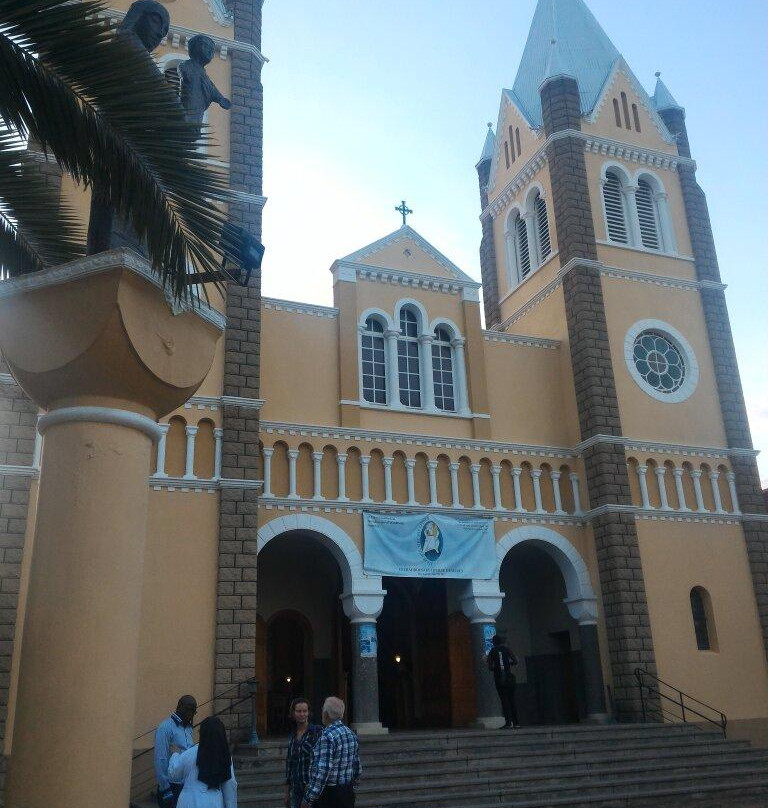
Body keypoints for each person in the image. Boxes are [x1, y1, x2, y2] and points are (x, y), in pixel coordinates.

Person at [300, 697, 361, 808]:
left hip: (330, 794)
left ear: (326, 714)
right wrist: (352, 789)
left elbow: (322, 771)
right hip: (346, 792)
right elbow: (357, 766)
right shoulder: (351, 734)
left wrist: (308, 799)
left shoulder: (327, 736)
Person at [168, 715, 237, 808]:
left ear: (202, 733)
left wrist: (175, 755)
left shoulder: (190, 753)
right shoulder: (225, 756)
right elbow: (230, 786)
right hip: (213, 801)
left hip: (188, 801)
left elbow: (174, 775)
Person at [155, 695, 198, 807]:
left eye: (193, 710)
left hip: (186, 784)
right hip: (170, 786)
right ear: (179, 707)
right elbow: (160, 759)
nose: (191, 713)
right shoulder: (165, 727)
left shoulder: (189, 728)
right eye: (189, 709)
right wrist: (165, 788)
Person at [284, 697, 322, 808]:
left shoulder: (316, 732)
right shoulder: (292, 736)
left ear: (309, 713)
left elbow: (321, 760)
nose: (302, 714)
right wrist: (286, 792)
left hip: (312, 788)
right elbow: (289, 764)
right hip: (296, 788)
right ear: (293, 713)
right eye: (299, 711)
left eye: (304, 711)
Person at [487, 634, 520, 729]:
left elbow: (490, 667)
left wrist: (497, 667)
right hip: (509, 678)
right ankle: (516, 723)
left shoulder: (492, 651)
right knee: (512, 700)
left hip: (500, 678)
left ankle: (508, 723)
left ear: (493, 642)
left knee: (504, 700)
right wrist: (507, 664)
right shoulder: (507, 649)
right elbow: (515, 661)